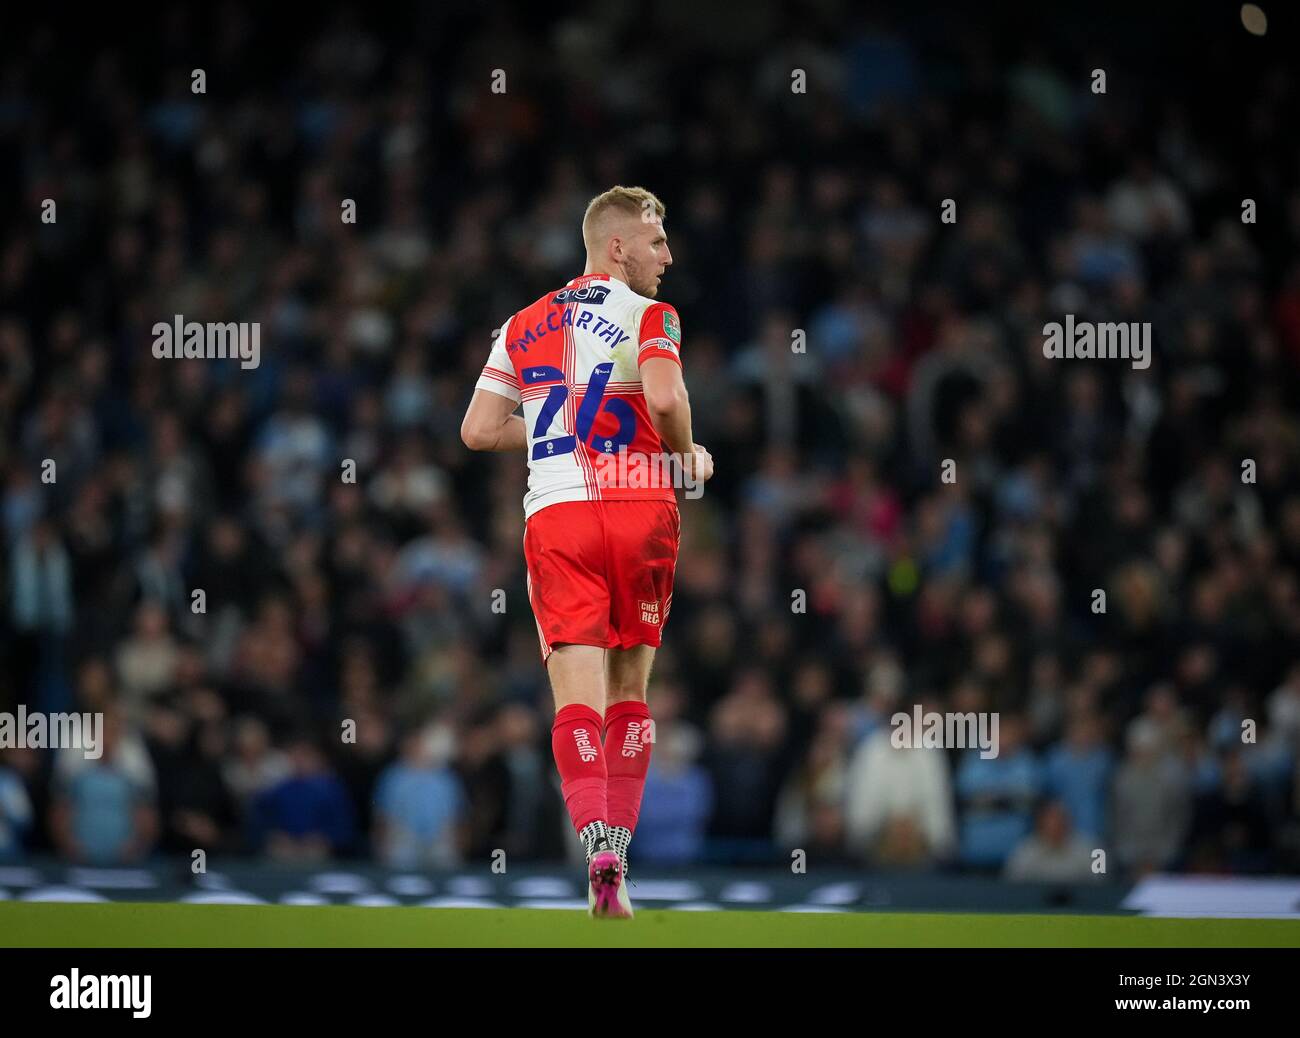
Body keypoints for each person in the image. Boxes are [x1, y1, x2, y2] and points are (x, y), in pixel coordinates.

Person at [461, 185, 713, 918]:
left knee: (576, 699)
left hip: (558, 514)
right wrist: (687, 451)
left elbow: (478, 431)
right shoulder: (652, 316)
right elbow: (664, 398)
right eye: (656, 241)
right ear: (616, 247)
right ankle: (622, 861)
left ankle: (595, 846)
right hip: (639, 504)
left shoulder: (522, 322)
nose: (666, 256)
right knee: (630, 694)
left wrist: (555, 429)